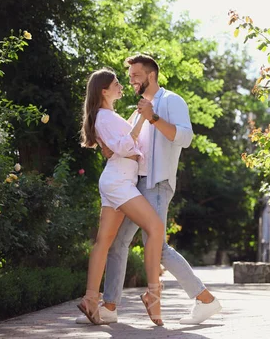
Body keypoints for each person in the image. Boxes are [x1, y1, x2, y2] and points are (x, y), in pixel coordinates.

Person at [77, 54, 221, 325]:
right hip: (133, 185)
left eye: (135, 75)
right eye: (128, 76)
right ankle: (108, 306)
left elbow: (185, 137)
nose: (130, 81)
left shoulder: (170, 101)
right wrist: (109, 149)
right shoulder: (136, 109)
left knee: (158, 245)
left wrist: (152, 117)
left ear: (151, 76)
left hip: (156, 183)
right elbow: (127, 146)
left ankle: (205, 300)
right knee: (117, 243)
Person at [78, 67, 165, 326]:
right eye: (116, 82)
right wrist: (141, 118)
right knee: (155, 227)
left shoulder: (108, 116)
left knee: (103, 242)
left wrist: (132, 128)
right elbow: (126, 145)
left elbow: (122, 146)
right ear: (104, 91)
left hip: (118, 180)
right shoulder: (104, 117)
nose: (120, 85)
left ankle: (91, 300)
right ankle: (152, 293)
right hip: (119, 183)